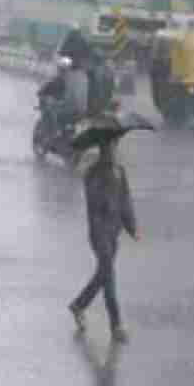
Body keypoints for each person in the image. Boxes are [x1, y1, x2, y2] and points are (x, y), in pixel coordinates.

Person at [69, 139, 138, 343]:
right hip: (98, 233)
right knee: (108, 274)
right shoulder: (93, 173)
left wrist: (131, 226)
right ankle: (116, 325)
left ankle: (79, 305)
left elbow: (126, 200)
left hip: (113, 232)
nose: (111, 152)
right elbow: (94, 201)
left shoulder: (120, 172)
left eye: (114, 148)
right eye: (108, 149)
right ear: (102, 151)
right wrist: (106, 196)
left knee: (103, 274)